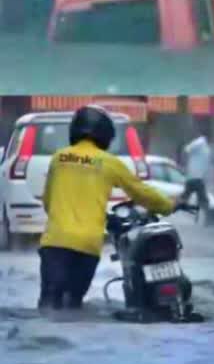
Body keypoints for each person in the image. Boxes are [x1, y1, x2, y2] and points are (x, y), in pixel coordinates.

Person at [38, 106, 179, 311]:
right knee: (72, 306)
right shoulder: (109, 163)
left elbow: (48, 202)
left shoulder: (59, 158)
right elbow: (140, 192)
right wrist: (168, 205)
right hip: (87, 247)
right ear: (105, 136)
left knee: (49, 304)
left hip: (55, 244)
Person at [180, 134, 211, 224]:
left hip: (197, 178)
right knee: (203, 200)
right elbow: (186, 150)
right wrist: (183, 164)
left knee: (187, 197)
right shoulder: (200, 141)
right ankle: (208, 221)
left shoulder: (207, 147)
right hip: (195, 177)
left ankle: (201, 220)